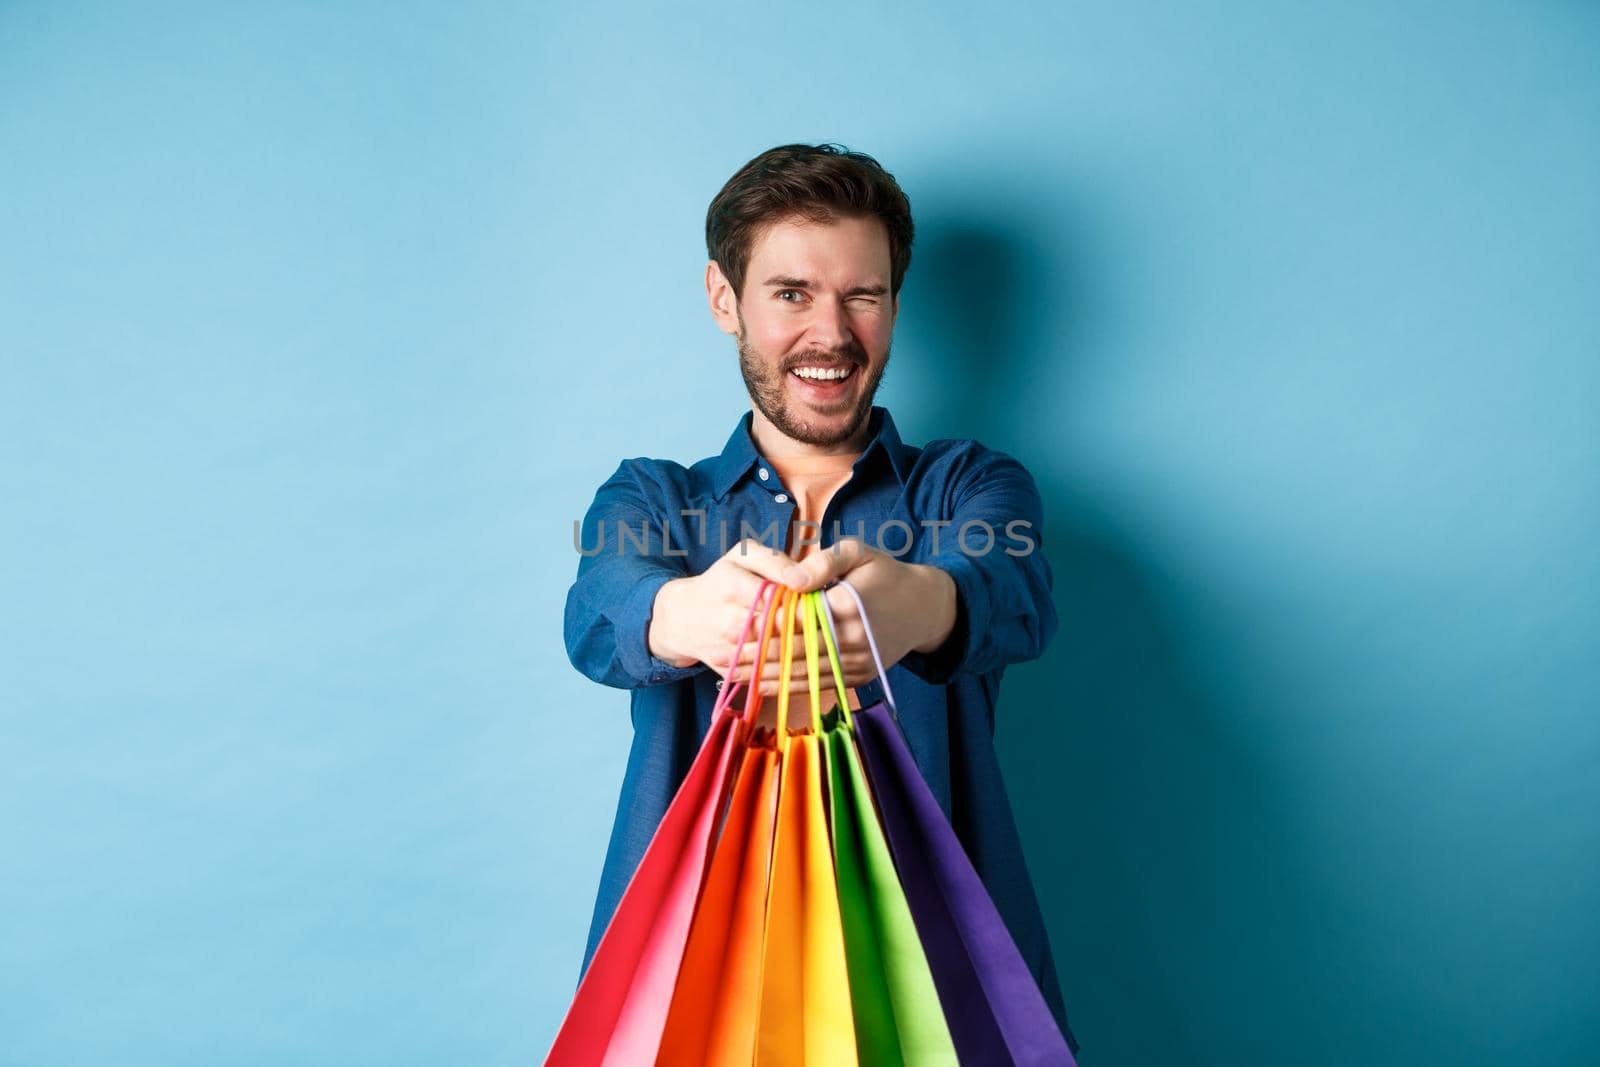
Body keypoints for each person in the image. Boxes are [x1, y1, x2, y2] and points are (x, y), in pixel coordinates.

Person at [563, 142, 1079, 1054]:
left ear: (894, 305)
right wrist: (685, 615)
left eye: (863, 295)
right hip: (693, 979)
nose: (831, 334)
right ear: (726, 300)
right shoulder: (652, 499)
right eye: (791, 293)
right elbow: (602, 601)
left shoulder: (967, 487)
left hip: (940, 974)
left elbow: (1011, 585)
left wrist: (913, 605)